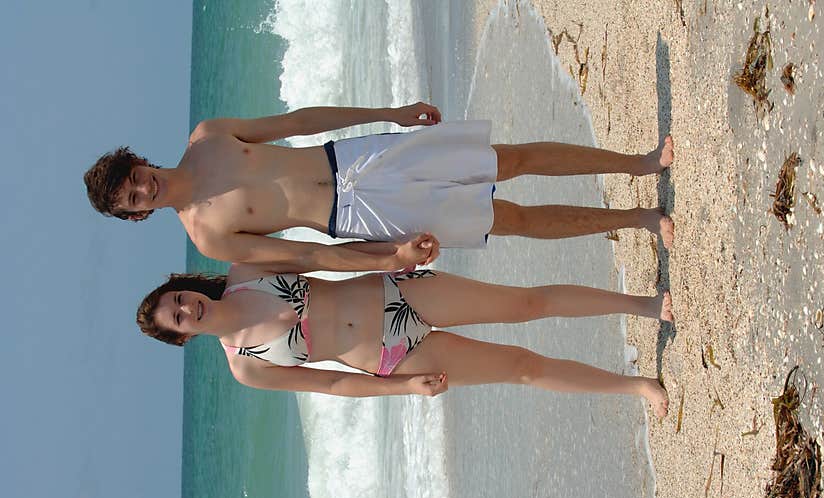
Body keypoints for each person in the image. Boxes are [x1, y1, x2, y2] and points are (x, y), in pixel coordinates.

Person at [86, 102, 675, 272]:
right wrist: (386, 261)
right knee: (508, 219)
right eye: (134, 199)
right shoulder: (209, 236)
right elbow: (304, 254)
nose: (145, 189)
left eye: (135, 178)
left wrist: (388, 112)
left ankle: (639, 164)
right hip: (356, 218)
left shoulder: (209, 135)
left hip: (355, 156)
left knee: (507, 160)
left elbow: (298, 123)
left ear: (139, 162)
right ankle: (638, 221)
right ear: (138, 214)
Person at [136, 263, 674, 417]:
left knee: (525, 303)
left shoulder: (245, 271)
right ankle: (637, 387)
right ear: (183, 337)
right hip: (393, 355)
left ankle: (645, 305)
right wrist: (405, 388)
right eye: (178, 319)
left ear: (183, 288)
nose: (186, 308)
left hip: (396, 291)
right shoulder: (246, 366)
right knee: (521, 367)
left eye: (177, 299)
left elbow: (326, 258)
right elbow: (332, 385)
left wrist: (393, 254)